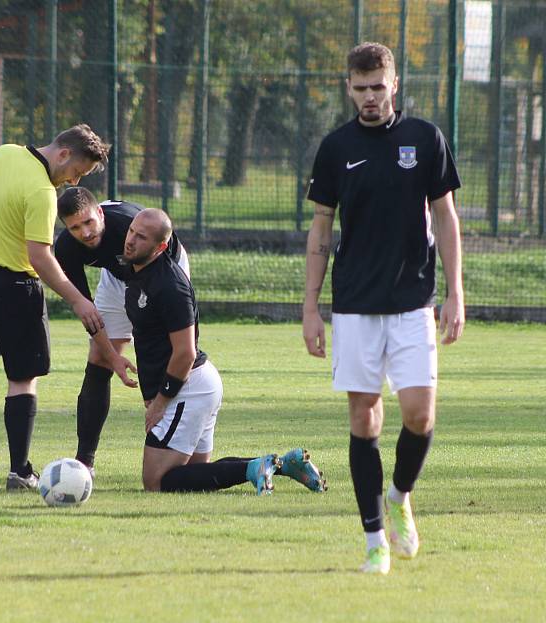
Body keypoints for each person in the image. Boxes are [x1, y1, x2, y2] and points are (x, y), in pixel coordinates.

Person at [303, 42, 464, 574]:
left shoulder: (425, 139)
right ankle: (374, 538)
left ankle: (399, 497)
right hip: (354, 306)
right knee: (364, 419)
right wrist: (311, 305)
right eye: (360, 87)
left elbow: (445, 219)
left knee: (420, 415)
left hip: (413, 302)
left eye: (378, 86)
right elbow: (321, 228)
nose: (370, 97)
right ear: (348, 87)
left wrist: (456, 293)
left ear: (394, 84)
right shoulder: (335, 147)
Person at [123, 209, 327, 495]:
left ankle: (255, 467)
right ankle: (282, 464)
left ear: (159, 247)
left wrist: (159, 403)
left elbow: (185, 352)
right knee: (192, 477)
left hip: (188, 386)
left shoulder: (170, 284)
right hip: (195, 386)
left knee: (157, 482)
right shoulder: (136, 270)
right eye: (131, 231)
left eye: (141, 237)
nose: (130, 240)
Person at [0, 125, 113, 492]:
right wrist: (77, 298)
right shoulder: (43, 191)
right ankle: (19, 471)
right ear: (62, 154)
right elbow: (39, 257)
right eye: (76, 172)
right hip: (16, 288)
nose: (73, 181)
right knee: (23, 379)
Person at [54, 187, 189, 477]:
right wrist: (113, 357)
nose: (85, 232)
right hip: (118, 277)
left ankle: (175, 445)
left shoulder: (127, 225)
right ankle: (84, 463)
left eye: (89, 222)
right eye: (75, 227)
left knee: (167, 354)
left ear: (100, 213)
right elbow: (87, 311)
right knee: (99, 358)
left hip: (162, 266)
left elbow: (159, 256)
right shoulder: (66, 247)